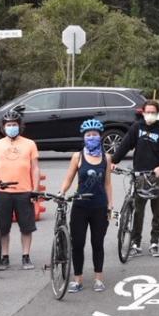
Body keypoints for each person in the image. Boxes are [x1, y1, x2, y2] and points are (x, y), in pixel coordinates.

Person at [58, 119, 115, 293]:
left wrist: (110, 204)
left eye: (94, 135)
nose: (91, 137)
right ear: (84, 137)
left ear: (100, 136)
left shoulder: (106, 157)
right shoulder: (78, 156)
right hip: (80, 206)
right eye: (88, 135)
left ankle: (98, 279)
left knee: (97, 243)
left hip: (99, 206)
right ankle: (78, 280)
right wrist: (62, 192)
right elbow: (69, 178)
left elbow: (107, 183)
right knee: (78, 243)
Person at [0, 109, 41, 270]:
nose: (11, 127)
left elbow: (35, 168)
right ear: (3, 127)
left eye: (14, 124)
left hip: (24, 191)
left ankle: (26, 256)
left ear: (19, 126)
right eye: (8, 125)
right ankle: (5, 256)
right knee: (3, 228)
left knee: (26, 228)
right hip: (3, 192)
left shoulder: (30, 144)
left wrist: (35, 189)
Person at [111, 100, 159, 257]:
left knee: (157, 212)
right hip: (139, 175)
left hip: (157, 176)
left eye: (153, 112)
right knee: (138, 211)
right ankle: (135, 242)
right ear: (143, 112)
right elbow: (125, 145)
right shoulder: (137, 128)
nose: (150, 114)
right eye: (147, 112)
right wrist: (113, 161)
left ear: (157, 113)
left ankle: (154, 242)